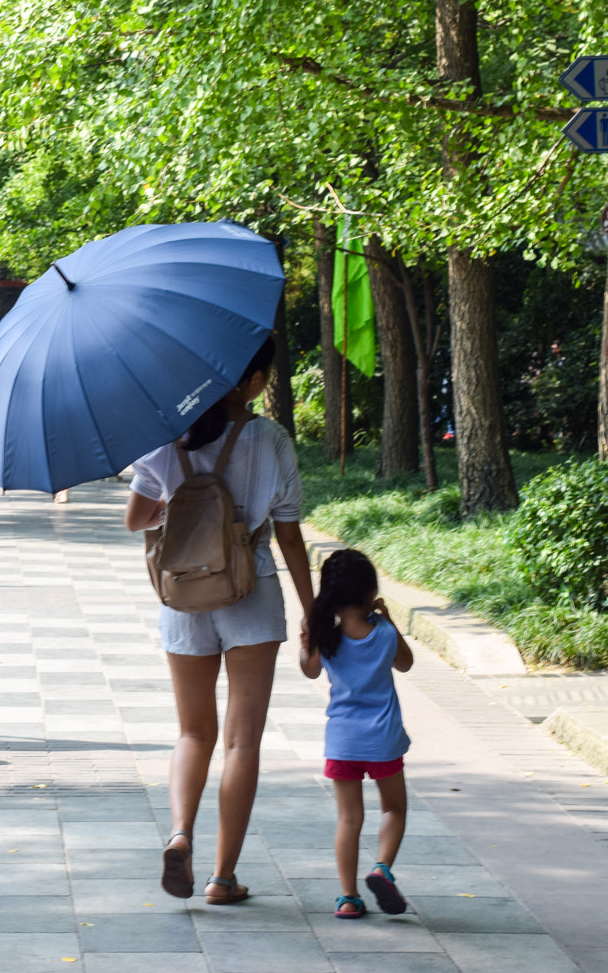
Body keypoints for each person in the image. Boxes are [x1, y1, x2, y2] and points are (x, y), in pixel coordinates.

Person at [124, 333, 313, 904]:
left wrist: (173, 500)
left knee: (191, 731)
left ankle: (180, 833)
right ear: (254, 381)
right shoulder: (271, 439)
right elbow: (289, 534)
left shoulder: (166, 440)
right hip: (250, 593)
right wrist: (311, 610)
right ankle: (222, 878)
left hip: (183, 594)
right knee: (241, 741)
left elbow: (136, 520)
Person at [298, 549, 414, 919]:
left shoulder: (326, 638)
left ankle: (348, 897)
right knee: (394, 807)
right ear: (369, 593)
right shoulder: (382, 632)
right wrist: (389, 619)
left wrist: (307, 643)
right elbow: (406, 663)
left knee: (349, 819)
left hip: (342, 741)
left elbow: (310, 671)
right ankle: (381, 868)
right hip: (383, 740)